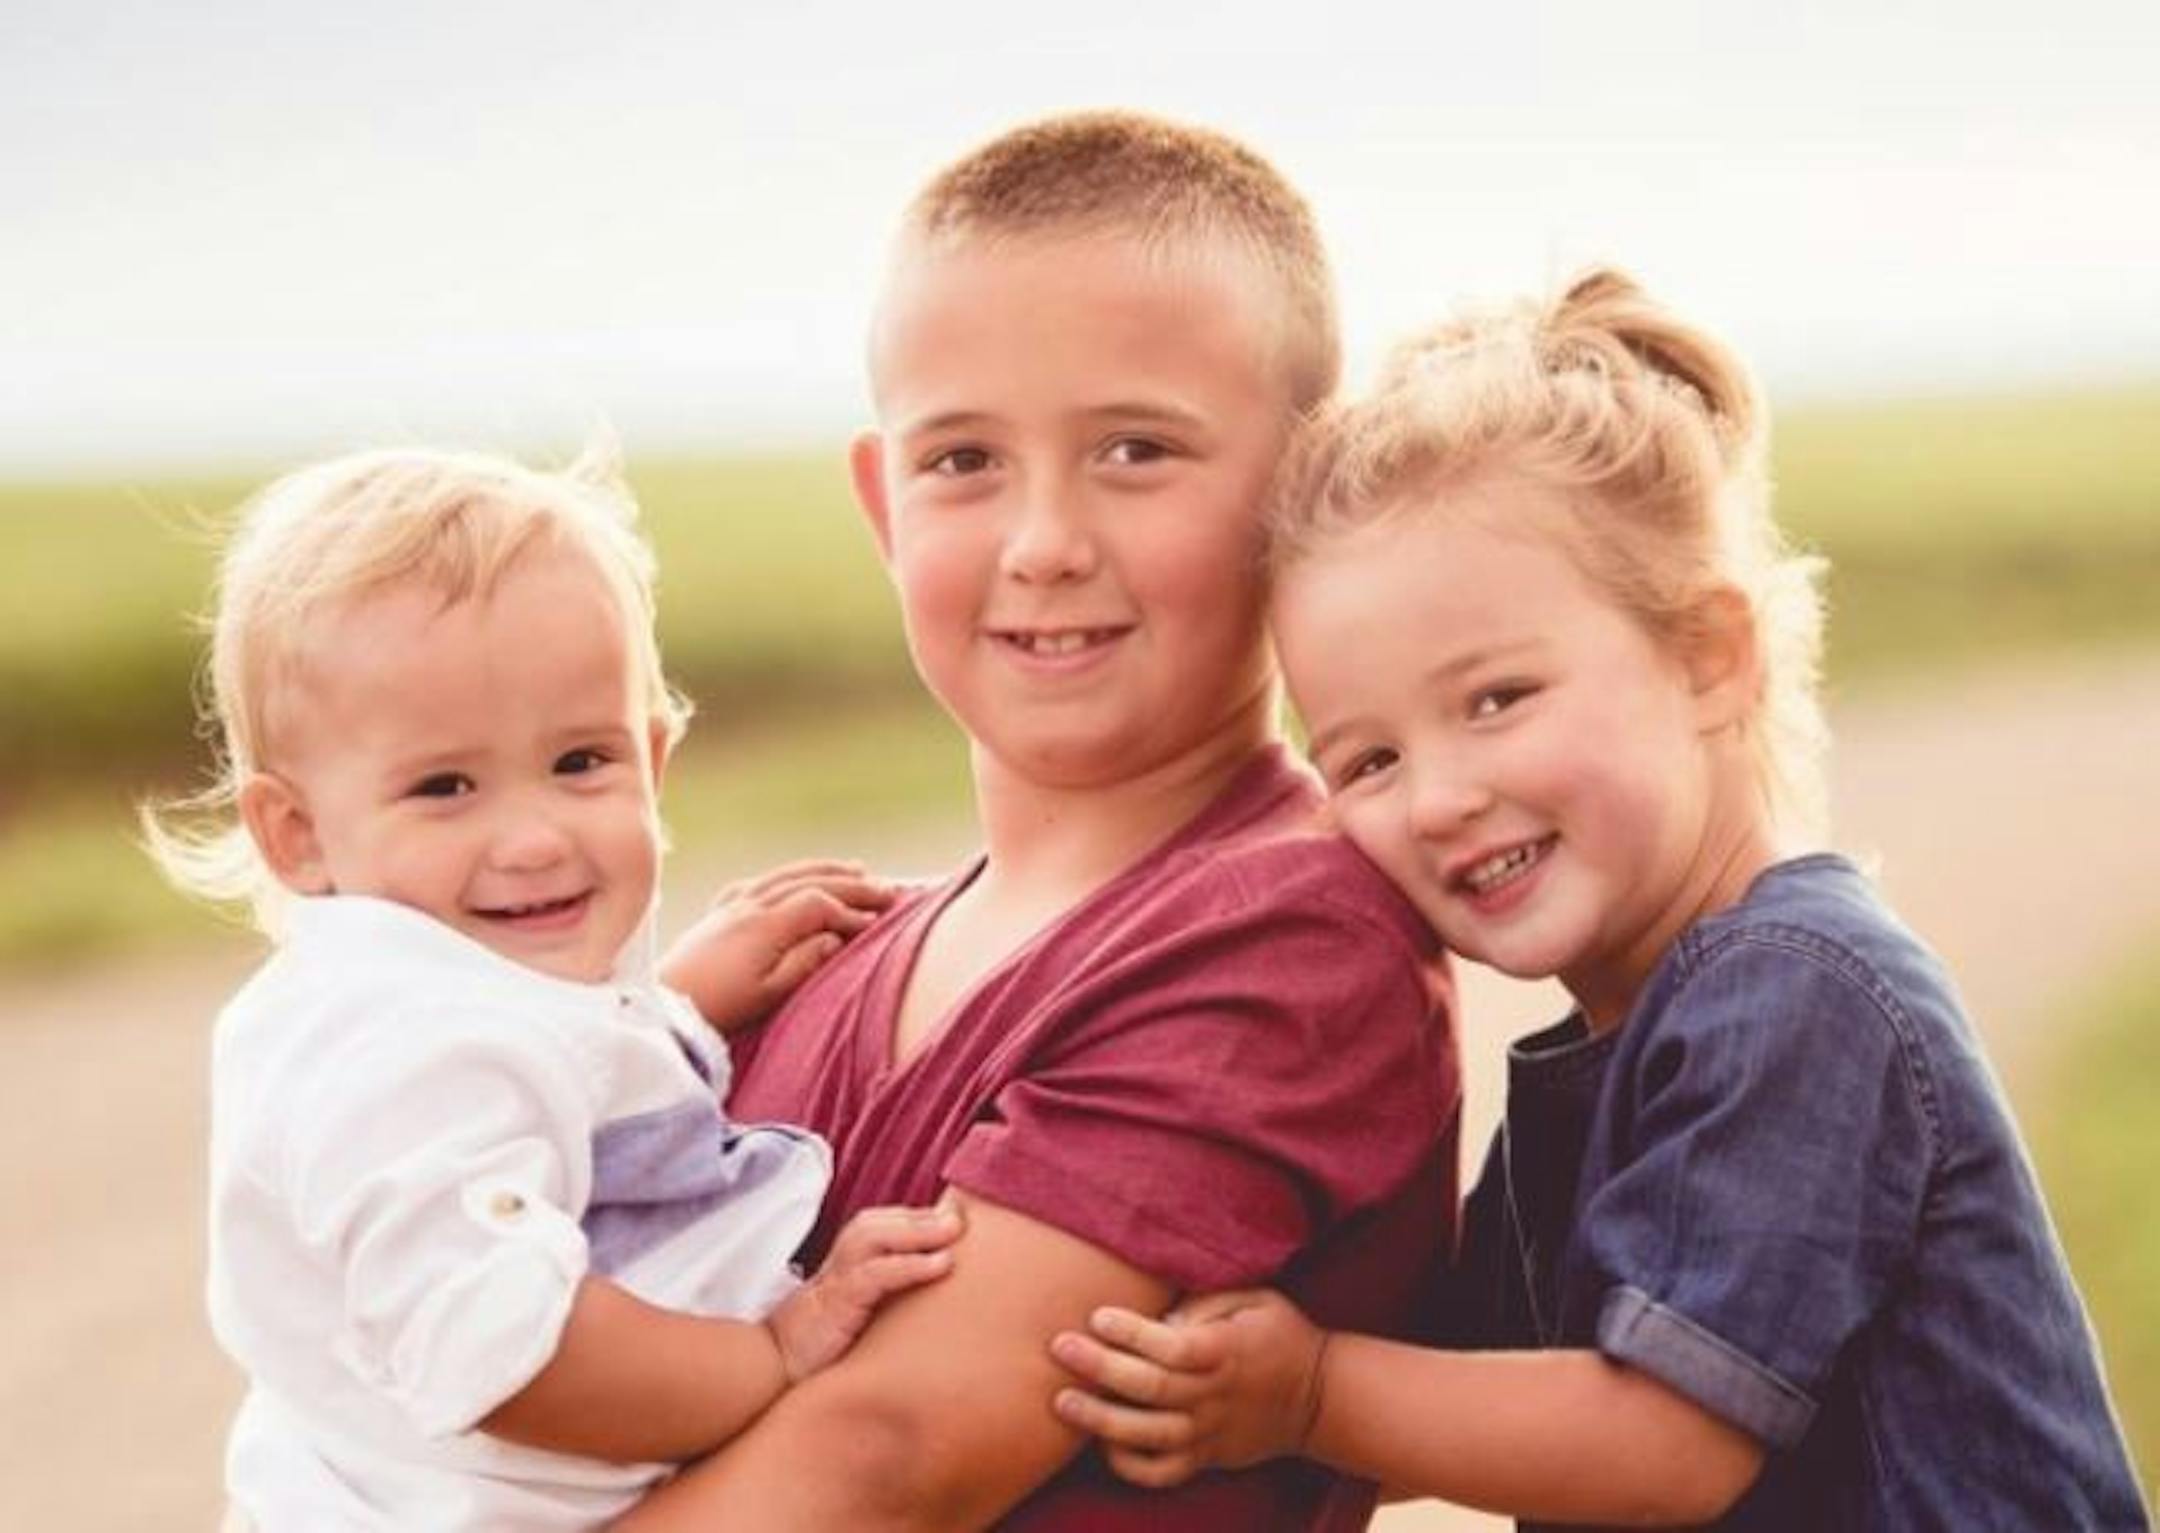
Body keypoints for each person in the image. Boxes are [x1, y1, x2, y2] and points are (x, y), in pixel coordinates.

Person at [1049, 268, 2150, 1528]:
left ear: (1706, 658)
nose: (1440, 798)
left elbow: (1662, 1443)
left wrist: (1310, 1394)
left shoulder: (1799, 994)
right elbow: (1472, 1391)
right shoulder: (1610, 1056)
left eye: (1497, 700)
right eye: (1368, 760)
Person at [615, 112, 1460, 1532]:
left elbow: (885, 1459)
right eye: (963, 461)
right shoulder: (818, 956)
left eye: (1135, 449)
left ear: (1304, 490)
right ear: (884, 505)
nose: (1043, 541)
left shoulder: (1290, 935)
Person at [144, 445, 963, 1531]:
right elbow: (512, 1355)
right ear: (296, 834)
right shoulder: (405, 1053)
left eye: (582, 763)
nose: (532, 839)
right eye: (444, 787)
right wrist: (770, 1350)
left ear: (654, 761)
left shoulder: (428, 995)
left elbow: (544, 1095)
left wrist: (672, 1008)